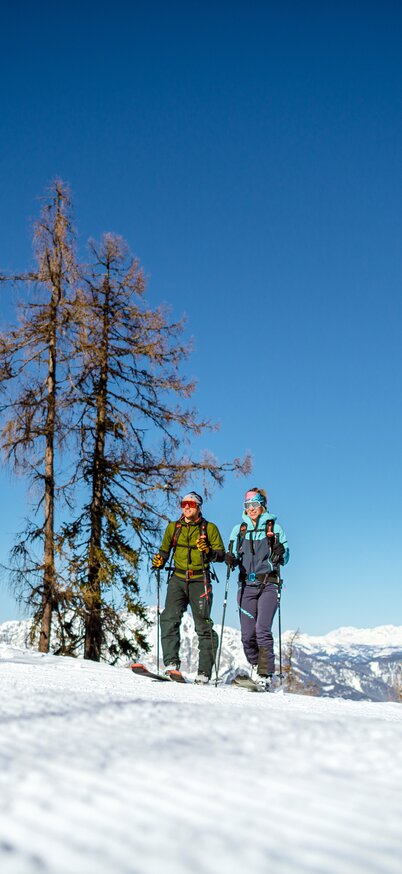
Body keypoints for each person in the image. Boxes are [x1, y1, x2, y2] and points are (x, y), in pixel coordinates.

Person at [152, 491, 225, 684]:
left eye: (191, 504)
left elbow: (220, 555)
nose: (186, 507)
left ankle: (204, 673)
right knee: (168, 619)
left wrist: (208, 550)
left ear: (198, 507)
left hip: (200, 580)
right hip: (177, 578)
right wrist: (159, 561)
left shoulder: (209, 528)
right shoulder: (173, 527)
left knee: (203, 625)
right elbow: (164, 550)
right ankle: (171, 664)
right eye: (183, 503)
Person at [225, 487, 289, 690]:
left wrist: (281, 551)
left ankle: (265, 674)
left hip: (268, 584)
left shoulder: (274, 528)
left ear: (262, 505)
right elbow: (233, 554)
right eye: (247, 505)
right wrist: (229, 559)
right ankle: (255, 665)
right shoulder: (239, 530)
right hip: (245, 585)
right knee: (247, 636)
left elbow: (286, 557)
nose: (251, 508)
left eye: (255, 504)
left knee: (262, 630)